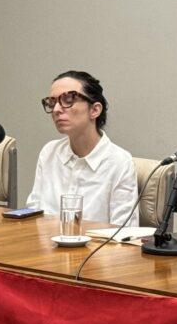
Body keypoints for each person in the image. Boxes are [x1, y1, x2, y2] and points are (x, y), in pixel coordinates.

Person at [26, 71, 139, 226]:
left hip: (96, 249)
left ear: (94, 110)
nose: (57, 109)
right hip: (46, 247)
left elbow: (123, 233)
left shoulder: (119, 162)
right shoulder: (49, 153)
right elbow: (34, 215)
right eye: (52, 103)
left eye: (68, 100)